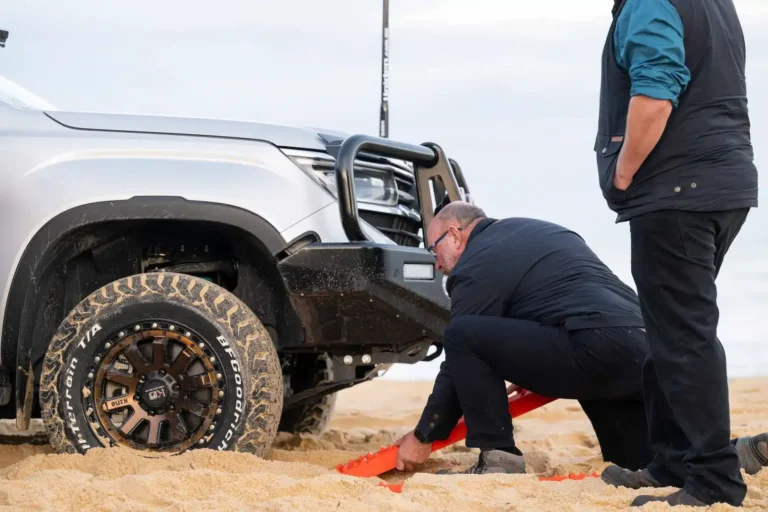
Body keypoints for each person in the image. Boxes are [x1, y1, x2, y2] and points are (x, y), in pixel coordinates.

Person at [394, 202, 768, 481]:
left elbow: (460, 353)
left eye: (434, 248)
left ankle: (498, 460)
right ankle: (734, 454)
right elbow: (553, 304)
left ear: (456, 235)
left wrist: (426, 433)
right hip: (645, 347)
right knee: (641, 462)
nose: (436, 262)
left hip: (595, 345)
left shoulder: (476, 263)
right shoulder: (539, 231)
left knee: (460, 334)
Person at [594, 0, 759, 507]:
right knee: (669, 331)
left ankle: (714, 478)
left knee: (684, 336)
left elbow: (656, 92)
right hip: (721, 184)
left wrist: (623, 173)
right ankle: (672, 460)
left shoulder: (650, 2)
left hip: (678, 192)